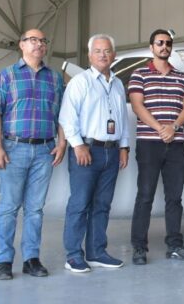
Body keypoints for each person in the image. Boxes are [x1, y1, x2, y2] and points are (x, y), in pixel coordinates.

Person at [0, 28, 66, 280]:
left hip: (44, 150)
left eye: (43, 41)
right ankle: (4, 261)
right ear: (22, 45)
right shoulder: (8, 75)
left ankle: (31, 259)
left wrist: (62, 143)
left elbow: (64, 116)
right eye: (33, 40)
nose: (39, 45)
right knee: (8, 208)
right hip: (14, 149)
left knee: (35, 209)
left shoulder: (55, 79)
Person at [58, 34, 130, 273]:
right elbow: (67, 117)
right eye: (98, 51)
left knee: (102, 205)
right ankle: (73, 255)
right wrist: (78, 145)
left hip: (111, 153)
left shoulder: (118, 84)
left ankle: (97, 252)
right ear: (90, 55)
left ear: (114, 55)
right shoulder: (80, 82)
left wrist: (124, 147)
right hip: (87, 151)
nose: (103, 54)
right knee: (79, 204)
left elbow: (123, 120)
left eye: (107, 50)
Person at [128, 29, 184, 265]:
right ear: (152, 47)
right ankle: (139, 248)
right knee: (145, 196)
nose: (164, 46)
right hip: (149, 144)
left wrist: (174, 127)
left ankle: (175, 245)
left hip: (175, 145)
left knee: (174, 198)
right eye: (160, 43)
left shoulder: (182, 77)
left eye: (168, 43)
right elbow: (138, 106)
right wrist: (160, 128)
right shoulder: (139, 74)